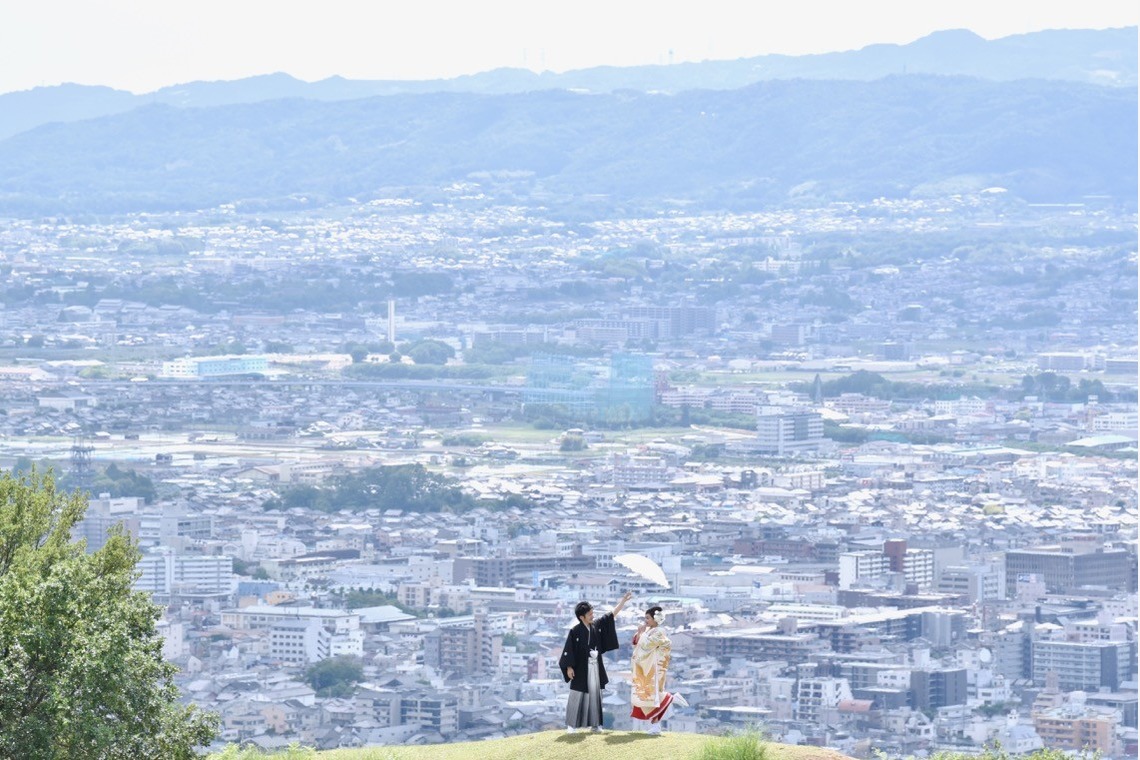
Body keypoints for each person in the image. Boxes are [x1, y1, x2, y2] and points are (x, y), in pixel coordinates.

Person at [559, 590, 633, 733]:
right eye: (590, 614)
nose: (593, 616)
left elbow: (611, 615)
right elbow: (568, 650)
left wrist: (623, 601)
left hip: (594, 665)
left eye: (592, 613)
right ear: (581, 617)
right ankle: (571, 725)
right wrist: (569, 667)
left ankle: (595, 725)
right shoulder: (574, 631)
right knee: (577, 694)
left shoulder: (596, 625)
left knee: (595, 695)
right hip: (580, 667)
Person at [630, 605, 687, 734]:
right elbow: (636, 643)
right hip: (645, 668)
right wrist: (640, 633)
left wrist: (641, 634)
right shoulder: (649, 631)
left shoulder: (659, 631)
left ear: (655, 619)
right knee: (647, 699)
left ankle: (670, 698)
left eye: (648, 618)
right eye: (645, 618)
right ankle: (656, 726)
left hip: (653, 669)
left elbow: (646, 645)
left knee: (650, 697)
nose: (646, 620)